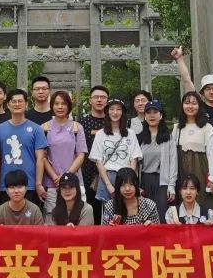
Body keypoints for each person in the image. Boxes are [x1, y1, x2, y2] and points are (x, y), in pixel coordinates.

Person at [0, 88, 49, 206]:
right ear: (8, 105)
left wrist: (38, 183)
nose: (17, 104)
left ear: (26, 104)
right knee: (6, 216)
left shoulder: (36, 129)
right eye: (14, 101)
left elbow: (40, 158)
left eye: (20, 101)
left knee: (31, 216)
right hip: (5, 185)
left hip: (29, 184)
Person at [40, 90, 87, 213]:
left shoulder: (77, 127)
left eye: (63, 103)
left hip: (74, 181)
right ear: (52, 106)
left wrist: (67, 175)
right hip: (52, 183)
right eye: (56, 103)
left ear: (69, 106)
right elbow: (42, 157)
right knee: (53, 218)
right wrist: (55, 177)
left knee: (78, 216)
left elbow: (81, 155)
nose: (60, 107)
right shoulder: (44, 128)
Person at [175, 91, 213, 212]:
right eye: (187, 103)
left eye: (194, 103)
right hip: (182, 171)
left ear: (199, 106)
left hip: (201, 170)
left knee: (204, 205)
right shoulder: (177, 128)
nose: (190, 106)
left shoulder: (207, 127)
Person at [89, 98, 142, 203]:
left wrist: (129, 181)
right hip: (107, 177)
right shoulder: (100, 134)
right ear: (107, 112)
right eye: (112, 109)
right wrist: (108, 185)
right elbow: (98, 161)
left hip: (126, 178)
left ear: (123, 112)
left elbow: (134, 158)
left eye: (118, 109)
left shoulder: (130, 133)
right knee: (108, 211)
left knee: (127, 209)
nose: (115, 112)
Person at [135, 100, 176, 221]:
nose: (152, 115)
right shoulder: (139, 138)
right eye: (149, 112)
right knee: (144, 217)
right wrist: (136, 185)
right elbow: (134, 163)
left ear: (161, 115)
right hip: (144, 181)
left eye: (155, 112)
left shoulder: (168, 137)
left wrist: (171, 185)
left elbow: (173, 162)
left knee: (161, 216)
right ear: (145, 116)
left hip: (162, 181)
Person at [80, 84, 110, 223]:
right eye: (96, 97)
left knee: (109, 214)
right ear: (90, 100)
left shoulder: (113, 122)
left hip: (109, 175)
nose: (99, 100)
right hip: (88, 175)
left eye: (103, 97)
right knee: (90, 213)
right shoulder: (81, 123)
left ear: (107, 101)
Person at [171, 45, 213, 119]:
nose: (211, 92)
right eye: (208, 89)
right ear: (202, 92)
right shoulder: (198, 106)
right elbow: (186, 80)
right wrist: (179, 58)